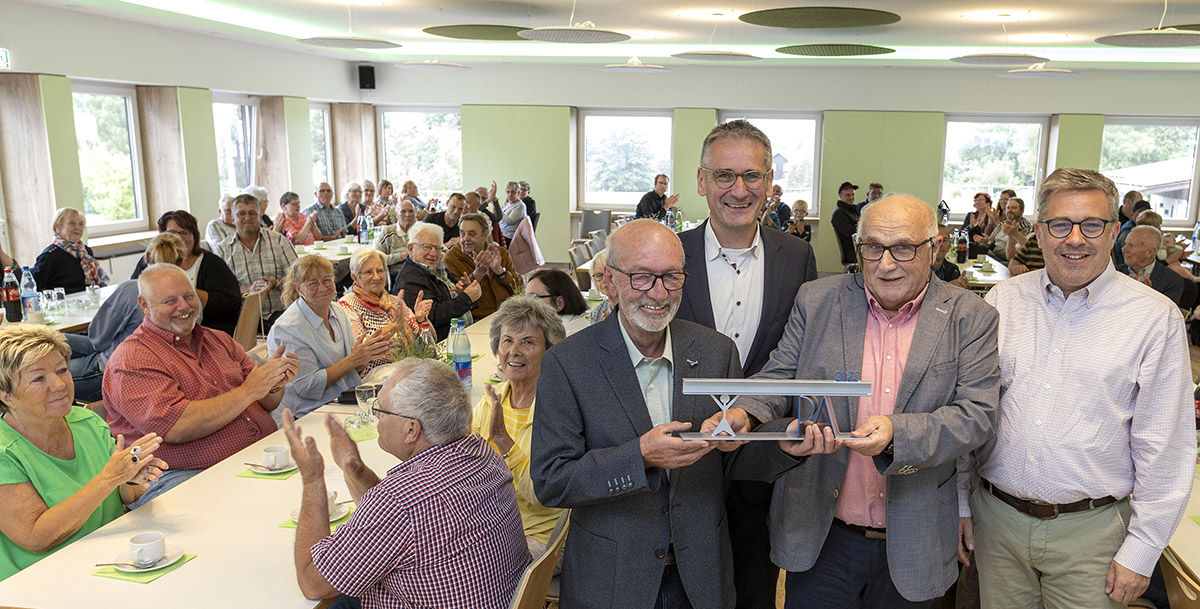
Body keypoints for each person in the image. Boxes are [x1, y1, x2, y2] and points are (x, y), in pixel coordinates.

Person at [728, 195, 999, 608]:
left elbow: (976, 415)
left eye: (904, 248)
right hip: (823, 534)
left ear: (936, 247)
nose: (886, 264)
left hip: (914, 537)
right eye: (872, 248)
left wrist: (897, 433)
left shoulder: (971, 316)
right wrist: (745, 411)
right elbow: (781, 374)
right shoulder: (817, 299)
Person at [963, 168, 1195, 609]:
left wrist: (1142, 551)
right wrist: (960, 501)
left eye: (1091, 225)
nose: (1075, 239)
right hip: (996, 523)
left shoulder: (1153, 317)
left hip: (1093, 535)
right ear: (1039, 231)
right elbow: (971, 412)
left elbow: (1165, 446)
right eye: (1059, 224)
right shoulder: (1003, 301)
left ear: (1113, 233)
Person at [531, 219, 746, 609]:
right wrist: (640, 457)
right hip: (611, 579)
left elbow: (738, 462)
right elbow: (551, 481)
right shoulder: (567, 364)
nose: (659, 293)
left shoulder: (717, 353)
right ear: (610, 281)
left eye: (671, 277)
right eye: (643, 277)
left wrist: (780, 441)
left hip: (700, 575)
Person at [675, 118, 818, 609]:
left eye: (752, 176)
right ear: (701, 181)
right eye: (724, 176)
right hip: (683, 460)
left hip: (763, 462)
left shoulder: (797, 257)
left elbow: (801, 353)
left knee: (755, 590)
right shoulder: (672, 256)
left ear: (770, 181)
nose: (739, 189)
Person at [282, 359, 530, 609]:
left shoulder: (399, 502)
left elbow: (312, 583)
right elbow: (399, 528)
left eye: (382, 409)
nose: (376, 414)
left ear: (411, 430)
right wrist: (355, 470)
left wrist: (312, 477)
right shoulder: (482, 453)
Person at [102, 264, 298, 508]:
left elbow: (266, 403)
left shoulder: (218, 340)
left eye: (188, 296)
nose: (184, 306)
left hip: (255, 457)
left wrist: (274, 382)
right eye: (170, 301)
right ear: (144, 305)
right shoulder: (133, 360)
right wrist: (249, 390)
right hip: (182, 476)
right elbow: (177, 427)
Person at [0, 325, 167, 581]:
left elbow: (122, 494)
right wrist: (110, 477)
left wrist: (132, 478)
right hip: (38, 581)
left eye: (61, 370)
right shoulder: (4, 451)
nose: (59, 384)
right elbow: (35, 537)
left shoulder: (86, 422)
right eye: (38, 378)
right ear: (6, 394)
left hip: (108, 561)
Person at [471, 295, 567, 556]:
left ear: (549, 350)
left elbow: (543, 493)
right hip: (489, 525)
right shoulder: (493, 399)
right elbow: (467, 466)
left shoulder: (558, 410)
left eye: (528, 342)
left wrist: (503, 441)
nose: (514, 351)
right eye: (507, 341)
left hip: (538, 537)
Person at [267, 256, 395, 421]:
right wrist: (354, 359)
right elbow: (308, 387)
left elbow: (351, 367)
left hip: (342, 402)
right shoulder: (288, 328)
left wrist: (367, 355)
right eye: (313, 284)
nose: (322, 288)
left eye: (327, 280)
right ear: (299, 289)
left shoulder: (336, 310)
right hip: (306, 415)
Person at [70, 233, 189, 403]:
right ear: (182, 263)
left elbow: (97, 339)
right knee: (58, 342)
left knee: (53, 370)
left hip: (116, 368)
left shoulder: (131, 290)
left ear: (147, 258)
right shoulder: (190, 297)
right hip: (164, 365)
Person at [130, 210, 244, 337]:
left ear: (194, 235)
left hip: (207, 332)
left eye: (185, 232)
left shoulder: (210, 263)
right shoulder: (146, 264)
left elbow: (231, 303)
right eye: (172, 233)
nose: (179, 238)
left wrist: (188, 291)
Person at [337, 248, 430, 377]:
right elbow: (359, 353)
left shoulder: (393, 301)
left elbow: (429, 341)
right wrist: (392, 328)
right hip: (374, 377)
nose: (376, 277)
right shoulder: (348, 305)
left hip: (407, 369)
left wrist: (421, 320)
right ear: (355, 277)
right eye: (368, 272)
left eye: (380, 271)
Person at [214, 194, 299, 331]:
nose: (247, 218)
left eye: (252, 213)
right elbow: (220, 292)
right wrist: (248, 290)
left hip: (280, 313)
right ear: (232, 218)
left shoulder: (279, 241)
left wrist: (275, 283)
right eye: (241, 214)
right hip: (242, 317)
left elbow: (299, 277)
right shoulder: (222, 251)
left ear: (260, 216)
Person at [391, 222, 480, 341]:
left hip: (466, 334)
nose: (433, 253)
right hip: (442, 345)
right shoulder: (409, 279)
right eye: (427, 247)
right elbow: (432, 316)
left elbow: (459, 305)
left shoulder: (438, 269)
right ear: (411, 249)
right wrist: (466, 298)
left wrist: (466, 294)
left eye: (437, 248)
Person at [441, 212, 521, 319]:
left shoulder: (501, 253)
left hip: (507, 315)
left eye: (471, 234)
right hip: (476, 319)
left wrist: (500, 271)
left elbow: (519, 289)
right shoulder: (450, 259)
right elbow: (454, 298)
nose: (465, 239)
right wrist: (477, 275)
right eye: (462, 234)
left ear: (485, 234)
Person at [31, 208, 108, 294]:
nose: (78, 227)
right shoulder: (50, 255)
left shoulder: (86, 251)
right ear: (58, 228)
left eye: (81, 224)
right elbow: (34, 286)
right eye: (72, 223)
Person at [1118, 225, 1186, 306]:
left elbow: (1165, 315)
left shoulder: (1172, 281)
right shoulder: (1115, 273)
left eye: (1131, 246)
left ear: (1149, 252)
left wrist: (1147, 295)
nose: (1124, 250)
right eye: (1125, 244)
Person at [372, 200, 416, 273]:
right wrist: (401, 256)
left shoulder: (422, 232)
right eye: (403, 212)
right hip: (397, 276)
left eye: (411, 211)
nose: (408, 215)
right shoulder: (387, 233)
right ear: (396, 214)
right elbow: (377, 259)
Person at [989, 196, 1031, 262]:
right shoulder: (1001, 225)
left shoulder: (1026, 228)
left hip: (1004, 261)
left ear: (1022, 210)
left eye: (1014, 208)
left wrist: (992, 247)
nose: (1010, 210)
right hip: (991, 256)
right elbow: (989, 241)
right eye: (1008, 208)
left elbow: (1013, 255)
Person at [1114, 199, 1152, 268]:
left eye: (1147, 213)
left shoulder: (1141, 230)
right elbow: (1130, 258)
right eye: (1141, 213)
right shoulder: (1128, 232)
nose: (1144, 216)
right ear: (1132, 215)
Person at [831, 181, 861, 266]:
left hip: (858, 249)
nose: (851, 197)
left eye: (853, 195)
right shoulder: (839, 214)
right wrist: (862, 225)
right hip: (853, 253)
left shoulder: (850, 211)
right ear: (840, 196)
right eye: (848, 195)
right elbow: (849, 233)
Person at [587, 248, 616, 324]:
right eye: (599, 275)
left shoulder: (633, 309)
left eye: (609, 274)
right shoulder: (596, 313)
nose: (604, 280)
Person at [963, 193, 996, 257]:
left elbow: (990, 234)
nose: (977, 202)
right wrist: (970, 226)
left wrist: (980, 227)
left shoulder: (992, 216)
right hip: (970, 244)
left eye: (980, 200)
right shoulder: (970, 215)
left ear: (987, 202)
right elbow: (962, 231)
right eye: (976, 200)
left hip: (985, 245)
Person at [498, 181, 527, 246]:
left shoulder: (520, 206)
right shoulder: (508, 204)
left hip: (509, 237)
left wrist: (499, 212)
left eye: (513, 192)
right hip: (501, 233)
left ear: (518, 193)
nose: (510, 194)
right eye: (508, 192)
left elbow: (508, 221)